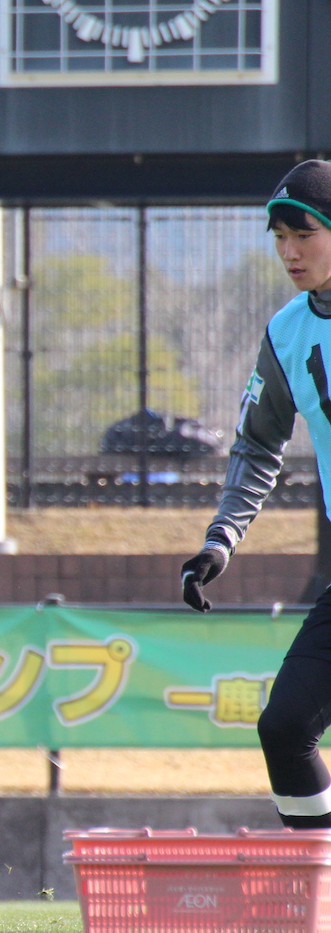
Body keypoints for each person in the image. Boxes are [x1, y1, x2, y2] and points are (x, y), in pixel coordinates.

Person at [182, 159, 331, 829]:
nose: (290, 252)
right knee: (285, 725)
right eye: (278, 238)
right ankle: (323, 898)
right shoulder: (287, 330)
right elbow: (256, 443)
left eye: (305, 234)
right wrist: (221, 539)